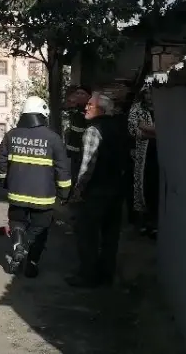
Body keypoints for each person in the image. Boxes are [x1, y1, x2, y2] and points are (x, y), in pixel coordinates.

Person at [0, 95, 72, 278]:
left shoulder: (11, 135)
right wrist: (64, 193)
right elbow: (63, 169)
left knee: (17, 223)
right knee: (40, 230)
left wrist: (3, 181)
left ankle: (18, 245)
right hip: (43, 198)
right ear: (42, 115)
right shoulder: (53, 139)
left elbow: (1, 161)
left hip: (17, 194)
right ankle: (31, 263)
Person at [67, 92, 132, 288]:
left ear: (101, 110)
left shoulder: (94, 130)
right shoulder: (120, 127)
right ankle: (106, 276)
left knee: (88, 235)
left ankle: (87, 276)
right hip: (117, 191)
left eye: (90, 105)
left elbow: (88, 164)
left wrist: (78, 190)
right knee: (110, 237)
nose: (86, 107)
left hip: (96, 192)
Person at [128, 84, 159, 238]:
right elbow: (134, 129)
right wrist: (155, 131)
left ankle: (155, 223)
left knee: (157, 188)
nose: (149, 96)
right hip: (144, 154)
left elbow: (169, 128)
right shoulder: (137, 109)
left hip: (161, 154)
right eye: (146, 93)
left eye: (151, 93)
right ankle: (144, 223)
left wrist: (148, 129)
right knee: (143, 186)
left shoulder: (162, 106)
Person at [63, 85, 92, 185]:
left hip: (82, 153)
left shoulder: (88, 113)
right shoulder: (73, 111)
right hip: (72, 154)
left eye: (82, 94)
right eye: (77, 93)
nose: (79, 96)